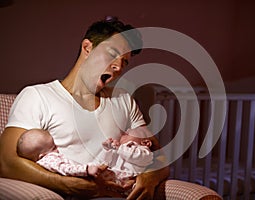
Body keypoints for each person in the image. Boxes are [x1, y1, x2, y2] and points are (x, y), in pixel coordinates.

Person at [0, 16, 170, 199]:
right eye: (112, 54)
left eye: (125, 62)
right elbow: (5, 162)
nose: (119, 67)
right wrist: (71, 185)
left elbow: (159, 156)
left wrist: (150, 176)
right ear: (88, 48)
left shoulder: (124, 99)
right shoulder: (37, 96)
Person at [16, 129, 115, 179]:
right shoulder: (48, 160)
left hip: (87, 174)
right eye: (53, 147)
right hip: (82, 182)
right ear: (41, 156)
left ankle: (107, 149)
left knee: (105, 168)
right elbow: (66, 169)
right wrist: (86, 169)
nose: (57, 148)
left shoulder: (47, 157)